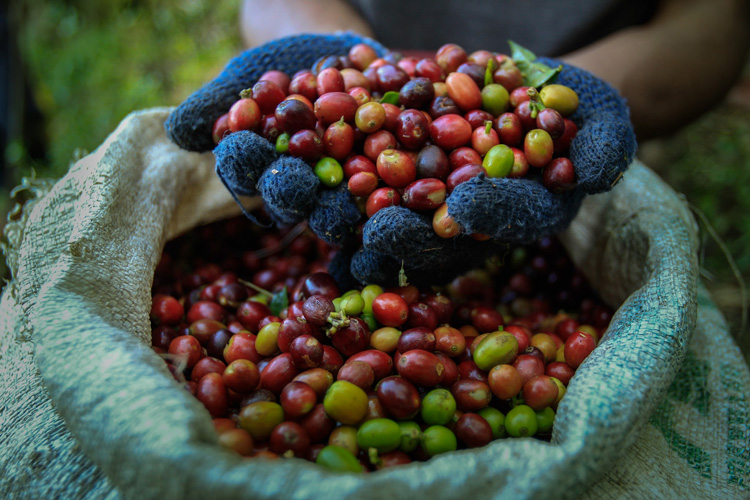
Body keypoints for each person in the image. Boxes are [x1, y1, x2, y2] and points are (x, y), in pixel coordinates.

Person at [239, 0, 750, 141]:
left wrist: (575, 98)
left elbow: (711, 16)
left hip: (600, 83)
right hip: (369, 71)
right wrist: (345, 54)